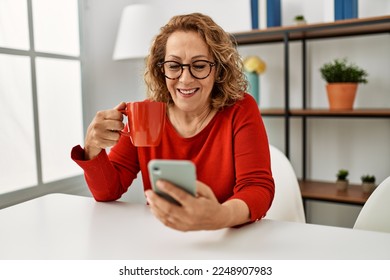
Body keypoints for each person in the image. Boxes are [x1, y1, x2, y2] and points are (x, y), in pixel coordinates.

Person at [71, 13, 274, 231]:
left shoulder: (240, 109)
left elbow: (257, 188)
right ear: (162, 69)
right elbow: (108, 191)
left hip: (225, 237)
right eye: (174, 65)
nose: (185, 79)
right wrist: (93, 149)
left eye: (199, 65)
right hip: (163, 239)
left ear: (218, 70)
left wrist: (221, 216)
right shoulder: (146, 113)